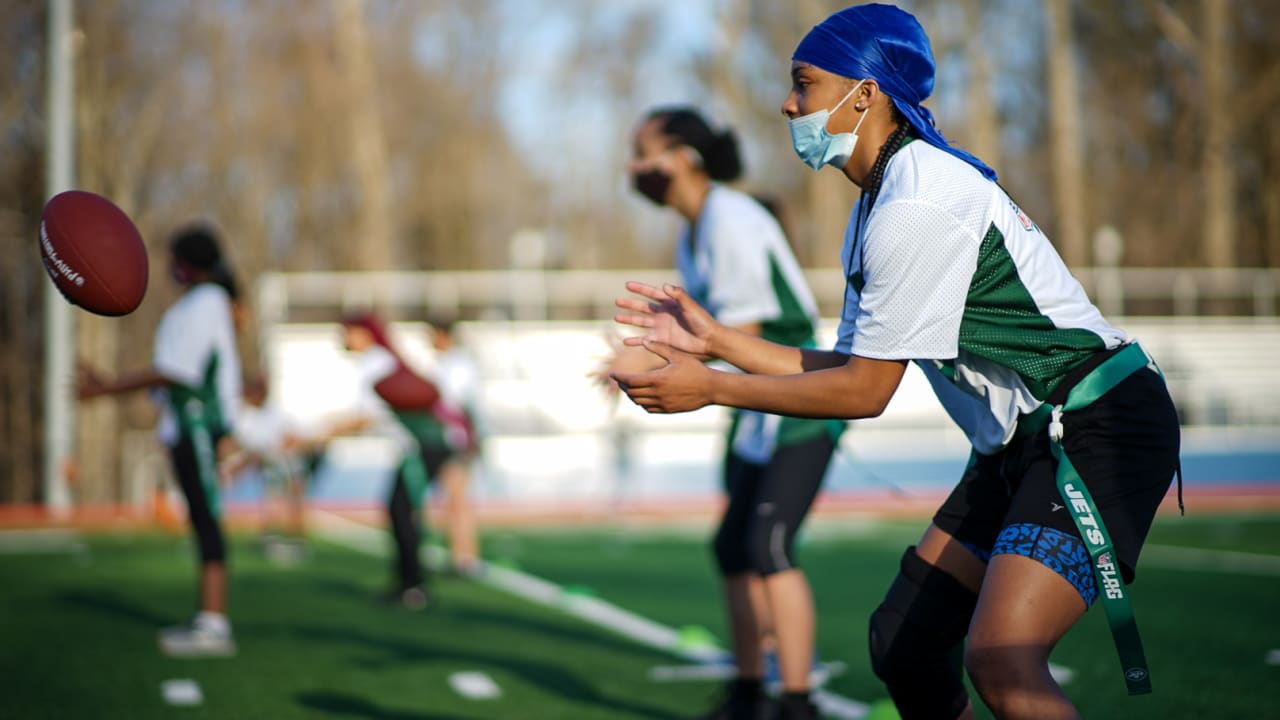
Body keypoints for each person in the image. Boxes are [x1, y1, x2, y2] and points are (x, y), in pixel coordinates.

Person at [611, 5, 1182, 720]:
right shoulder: (877, 202)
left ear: (865, 93)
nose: (788, 103)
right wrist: (715, 341)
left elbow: (865, 391)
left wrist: (713, 388)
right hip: (1023, 444)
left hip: (1099, 424)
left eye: (804, 82)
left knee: (1002, 658)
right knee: (904, 647)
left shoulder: (915, 200)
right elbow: (846, 363)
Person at [606, 106, 843, 720]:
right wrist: (640, 355)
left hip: (798, 400)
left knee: (768, 547)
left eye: (643, 153)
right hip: (755, 408)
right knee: (733, 547)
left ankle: (798, 702)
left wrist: (649, 360)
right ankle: (748, 690)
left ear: (684, 158)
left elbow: (742, 334)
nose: (633, 168)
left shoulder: (729, 218)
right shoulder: (695, 229)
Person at [78, 224, 242, 657]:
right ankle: (207, 618)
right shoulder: (197, 304)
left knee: (206, 517)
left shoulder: (207, 302)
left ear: (187, 264)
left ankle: (214, 624)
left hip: (198, 423)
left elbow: (177, 371)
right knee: (200, 517)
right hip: (186, 424)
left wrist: (108, 387)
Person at [333, 313, 458, 609]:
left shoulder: (377, 363)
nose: (342, 337)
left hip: (422, 444)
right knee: (400, 509)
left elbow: (366, 416)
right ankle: (408, 582)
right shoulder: (378, 362)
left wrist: (318, 434)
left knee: (402, 510)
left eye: (347, 331)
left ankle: (413, 585)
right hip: (418, 445)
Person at [426, 317, 483, 576]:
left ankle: (466, 558)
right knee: (452, 501)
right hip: (448, 438)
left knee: (458, 500)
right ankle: (460, 556)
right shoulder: (444, 363)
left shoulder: (459, 364)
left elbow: (454, 402)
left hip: (459, 439)